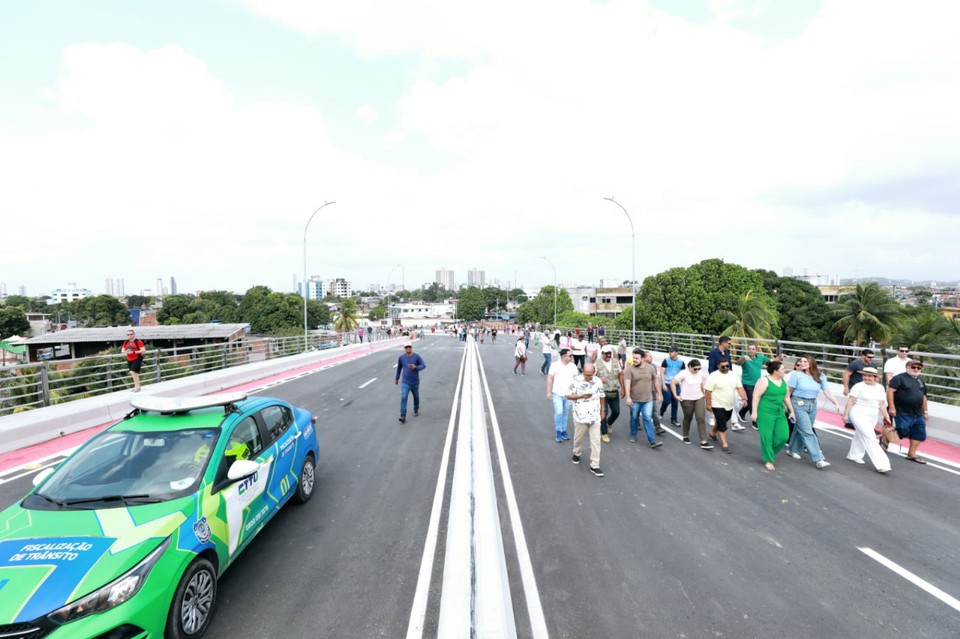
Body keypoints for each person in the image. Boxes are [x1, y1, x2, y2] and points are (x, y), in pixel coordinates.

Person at [785, 355, 841, 469]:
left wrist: (836, 402)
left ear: (812, 362)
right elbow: (787, 393)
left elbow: (827, 391)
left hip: (812, 404)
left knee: (800, 428)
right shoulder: (796, 375)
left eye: (805, 361)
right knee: (807, 431)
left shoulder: (820, 376)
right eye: (801, 361)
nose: (802, 363)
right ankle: (819, 458)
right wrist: (790, 409)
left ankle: (792, 449)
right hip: (798, 403)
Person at [841, 366, 892, 472]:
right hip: (858, 412)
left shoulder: (880, 388)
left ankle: (854, 455)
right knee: (871, 437)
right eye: (864, 375)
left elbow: (882, 403)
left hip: (873, 414)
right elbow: (851, 401)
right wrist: (845, 414)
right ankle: (882, 464)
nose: (866, 378)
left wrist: (886, 416)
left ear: (875, 377)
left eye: (869, 376)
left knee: (860, 434)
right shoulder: (858, 386)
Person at [752, 361, 796, 471]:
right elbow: (756, 396)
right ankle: (768, 459)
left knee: (783, 436)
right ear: (775, 371)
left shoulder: (783, 381)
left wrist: (792, 411)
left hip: (780, 411)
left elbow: (786, 397)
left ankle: (768, 452)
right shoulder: (764, 380)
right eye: (782, 369)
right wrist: (754, 412)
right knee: (767, 436)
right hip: (765, 411)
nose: (785, 371)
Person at [886, 359, 930, 465]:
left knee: (919, 433)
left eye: (918, 368)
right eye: (913, 367)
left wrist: (925, 412)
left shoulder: (920, 381)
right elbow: (890, 391)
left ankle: (911, 454)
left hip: (917, 413)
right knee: (902, 430)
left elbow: (924, 397)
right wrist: (892, 407)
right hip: (902, 411)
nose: (916, 369)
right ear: (907, 367)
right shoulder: (899, 378)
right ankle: (885, 439)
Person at [566, 363, 606, 477]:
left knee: (596, 441)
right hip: (580, 416)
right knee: (579, 438)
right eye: (586, 375)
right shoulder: (575, 380)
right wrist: (581, 396)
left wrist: (602, 410)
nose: (588, 377)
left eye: (590, 375)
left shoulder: (598, 381)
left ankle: (595, 465)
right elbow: (568, 395)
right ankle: (576, 452)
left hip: (595, 416)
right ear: (582, 371)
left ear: (594, 372)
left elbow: (602, 396)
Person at [623, 348, 663, 448]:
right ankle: (633, 434)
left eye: (636, 358)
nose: (634, 360)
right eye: (633, 358)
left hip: (648, 400)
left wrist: (659, 394)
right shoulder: (629, 369)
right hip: (635, 400)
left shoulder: (650, 368)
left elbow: (655, 381)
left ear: (643, 359)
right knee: (634, 417)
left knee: (647, 419)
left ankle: (652, 441)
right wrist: (628, 397)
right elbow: (627, 384)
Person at [737, 344, 783, 430]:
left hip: (757, 383)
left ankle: (741, 413)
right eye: (749, 349)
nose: (751, 350)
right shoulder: (744, 357)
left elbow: (772, 361)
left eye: (753, 349)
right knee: (753, 402)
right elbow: (738, 363)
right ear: (748, 350)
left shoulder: (760, 357)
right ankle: (755, 422)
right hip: (747, 383)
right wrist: (743, 358)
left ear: (756, 350)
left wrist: (780, 356)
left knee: (752, 401)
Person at [705, 359, 747, 453]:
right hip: (717, 403)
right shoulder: (713, 376)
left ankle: (712, 433)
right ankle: (725, 444)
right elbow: (708, 391)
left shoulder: (733, 375)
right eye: (723, 366)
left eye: (727, 366)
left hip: (729, 404)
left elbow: (739, 387)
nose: (725, 368)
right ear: (718, 366)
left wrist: (744, 398)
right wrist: (708, 404)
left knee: (722, 421)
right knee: (722, 424)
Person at [670, 359, 710, 448]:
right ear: (689, 367)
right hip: (686, 399)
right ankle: (686, 435)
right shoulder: (684, 373)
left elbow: (700, 383)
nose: (697, 371)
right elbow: (673, 383)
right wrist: (676, 395)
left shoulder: (699, 373)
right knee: (688, 417)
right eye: (695, 369)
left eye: (699, 369)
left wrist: (703, 393)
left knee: (701, 418)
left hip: (699, 398)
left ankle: (703, 441)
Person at [546, 348, 578, 442]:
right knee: (559, 412)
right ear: (564, 356)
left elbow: (576, 379)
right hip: (557, 393)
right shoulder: (555, 365)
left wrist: (576, 392)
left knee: (565, 412)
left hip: (569, 394)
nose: (572, 357)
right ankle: (558, 431)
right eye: (570, 355)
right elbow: (550, 378)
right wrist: (548, 391)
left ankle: (563, 430)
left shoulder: (573, 366)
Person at [594, 345, 624, 443]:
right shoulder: (597, 363)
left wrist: (623, 388)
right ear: (602, 354)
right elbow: (591, 377)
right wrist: (598, 379)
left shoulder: (615, 361)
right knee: (603, 412)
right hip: (602, 392)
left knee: (616, 412)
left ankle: (609, 423)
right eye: (606, 353)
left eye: (609, 353)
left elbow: (620, 375)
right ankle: (604, 432)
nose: (608, 355)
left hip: (614, 390)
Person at [842, 349, 875, 429]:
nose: (871, 359)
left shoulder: (873, 365)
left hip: (867, 388)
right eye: (869, 357)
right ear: (863, 356)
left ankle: (859, 421)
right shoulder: (855, 363)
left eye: (872, 357)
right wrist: (846, 387)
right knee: (853, 404)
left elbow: (874, 376)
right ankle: (849, 422)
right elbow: (846, 375)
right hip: (854, 387)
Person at [395, 343, 426, 423]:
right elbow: (399, 368)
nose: (408, 348)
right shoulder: (401, 358)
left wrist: (416, 367)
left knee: (416, 397)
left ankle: (416, 409)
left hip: (415, 382)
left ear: (411, 348)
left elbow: (423, 365)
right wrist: (397, 378)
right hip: (405, 382)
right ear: (404, 348)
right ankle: (403, 415)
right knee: (404, 397)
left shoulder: (416, 356)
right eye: (406, 347)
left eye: (409, 347)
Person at [659, 346, 685, 427]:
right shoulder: (666, 361)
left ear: (676, 353)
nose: (669, 353)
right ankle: (662, 411)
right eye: (669, 351)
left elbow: (683, 374)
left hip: (676, 385)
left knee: (675, 402)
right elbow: (662, 373)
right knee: (666, 401)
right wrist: (663, 384)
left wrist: (682, 385)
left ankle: (674, 419)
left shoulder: (681, 362)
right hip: (666, 383)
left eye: (671, 351)